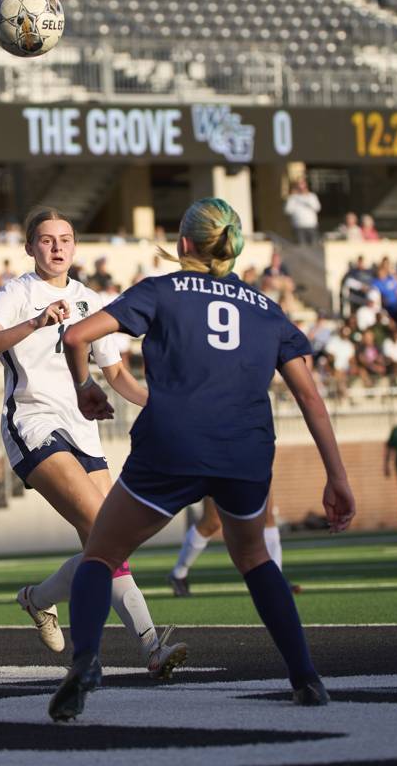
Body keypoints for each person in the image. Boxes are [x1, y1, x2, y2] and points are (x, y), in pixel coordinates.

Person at [47, 197, 355, 721]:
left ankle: (86, 663)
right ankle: (306, 678)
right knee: (256, 560)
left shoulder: (162, 289)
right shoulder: (267, 308)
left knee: (101, 555)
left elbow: (76, 335)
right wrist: (337, 476)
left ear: (184, 244)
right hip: (245, 447)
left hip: (174, 440)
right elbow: (309, 396)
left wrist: (84, 389)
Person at [0, 207, 187, 678]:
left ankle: (39, 598)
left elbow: (117, 376)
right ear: (29, 247)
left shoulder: (90, 299)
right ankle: (152, 646)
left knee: (106, 541)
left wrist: (162, 404)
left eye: (65, 238)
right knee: (104, 526)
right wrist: (35, 323)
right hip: (33, 422)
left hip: (83, 430)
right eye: (46, 240)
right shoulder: (17, 292)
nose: (56, 247)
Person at [167, 497, 294, 597]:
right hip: (219, 465)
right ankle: (178, 574)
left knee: (267, 515)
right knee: (212, 522)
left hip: (254, 463)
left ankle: (276, 580)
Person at [283, 177, 320, 245]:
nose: (301, 187)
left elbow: (317, 208)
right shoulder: (292, 198)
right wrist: (294, 197)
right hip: (298, 226)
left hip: (311, 225)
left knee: (314, 247)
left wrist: (306, 198)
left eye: (302, 184)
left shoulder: (312, 196)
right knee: (301, 249)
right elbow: (287, 211)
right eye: (299, 184)